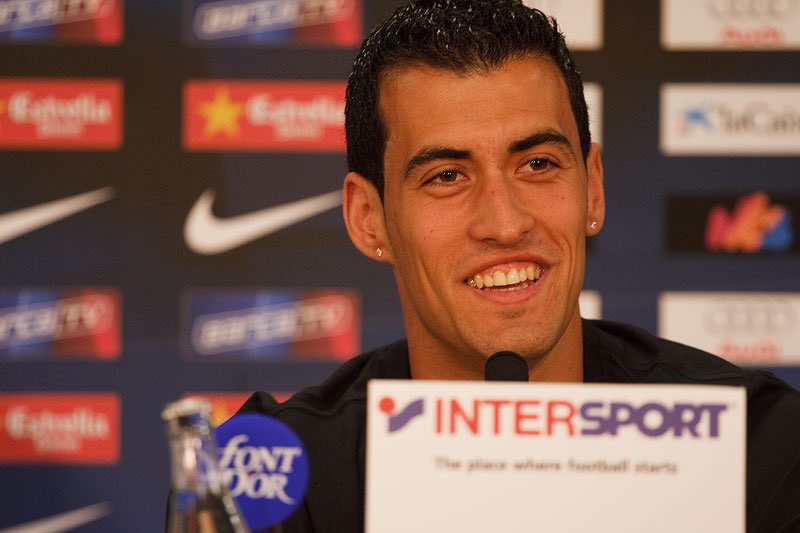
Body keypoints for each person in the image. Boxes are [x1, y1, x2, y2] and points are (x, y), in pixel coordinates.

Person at [239, 1, 800, 531]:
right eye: (447, 176)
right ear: (369, 219)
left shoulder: (758, 446)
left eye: (537, 164)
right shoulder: (279, 478)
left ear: (593, 188)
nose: (505, 224)